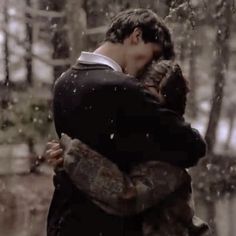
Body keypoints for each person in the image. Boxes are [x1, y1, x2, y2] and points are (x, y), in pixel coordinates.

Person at [46, 9, 205, 236]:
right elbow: (192, 146)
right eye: (153, 54)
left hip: (63, 221)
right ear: (136, 36)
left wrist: (67, 157)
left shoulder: (62, 83)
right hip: (105, 227)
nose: (149, 64)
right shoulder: (123, 88)